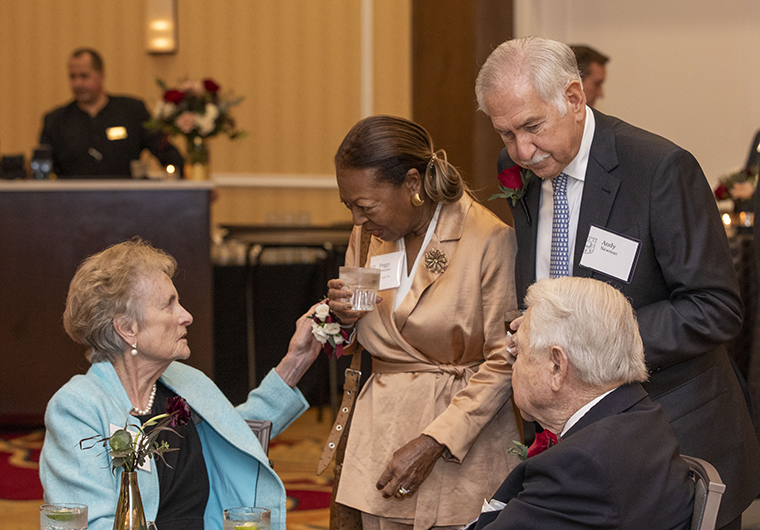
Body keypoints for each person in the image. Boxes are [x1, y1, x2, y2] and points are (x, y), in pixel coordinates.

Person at [475, 36, 760, 530]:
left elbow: (714, 307)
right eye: (505, 134)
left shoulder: (658, 168)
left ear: (574, 97)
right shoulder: (521, 170)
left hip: (673, 434)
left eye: (532, 127)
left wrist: (590, 343)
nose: (521, 150)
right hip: (572, 447)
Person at [40, 238, 321, 530]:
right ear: (127, 328)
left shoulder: (184, 380)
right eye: (169, 305)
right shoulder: (78, 406)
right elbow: (87, 523)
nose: (186, 316)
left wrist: (296, 361)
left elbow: (235, 436)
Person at [325, 115, 521, 530]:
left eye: (365, 206)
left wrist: (437, 440)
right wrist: (344, 317)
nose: (358, 221)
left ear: (412, 184)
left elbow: (506, 360)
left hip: (460, 441)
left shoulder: (487, 238)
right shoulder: (368, 235)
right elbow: (365, 327)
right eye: (350, 207)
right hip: (380, 434)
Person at [471, 277, 694, 530]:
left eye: (519, 352)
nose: (514, 367)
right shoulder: (640, 413)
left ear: (557, 366)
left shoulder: (580, 465)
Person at [39, 48, 184, 178]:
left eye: (84, 76)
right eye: (73, 77)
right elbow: (42, 170)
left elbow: (165, 151)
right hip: (72, 204)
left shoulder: (132, 111)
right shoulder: (56, 121)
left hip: (127, 201)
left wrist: (177, 175)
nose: (78, 84)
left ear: (101, 75)